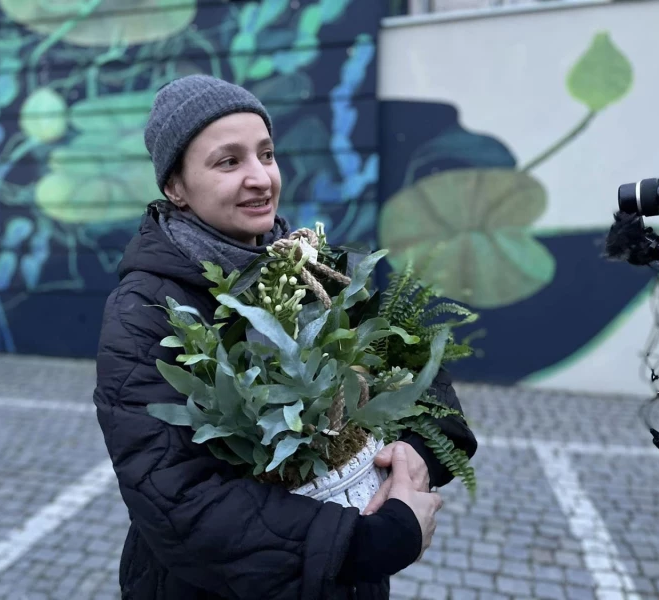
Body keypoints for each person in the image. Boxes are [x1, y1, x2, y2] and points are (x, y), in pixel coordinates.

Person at [93, 74, 478, 600]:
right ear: (175, 188)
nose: (260, 178)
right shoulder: (145, 310)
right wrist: (365, 543)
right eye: (228, 162)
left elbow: (429, 395)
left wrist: (415, 456)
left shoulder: (315, 271)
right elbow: (175, 499)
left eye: (266, 154)